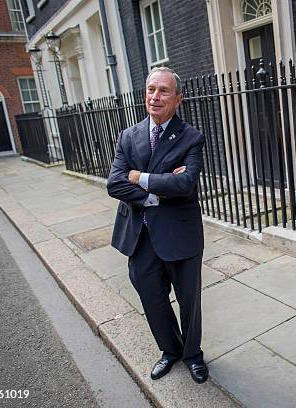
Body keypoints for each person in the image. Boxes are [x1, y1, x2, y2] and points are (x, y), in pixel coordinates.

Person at [107, 67, 208, 383]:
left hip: (180, 234)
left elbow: (187, 184)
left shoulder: (191, 137)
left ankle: (192, 354)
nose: (155, 96)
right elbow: (114, 184)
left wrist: (141, 177)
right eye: (151, 89)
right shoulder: (129, 135)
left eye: (164, 91)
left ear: (178, 99)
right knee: (151, 298)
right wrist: (157, 193)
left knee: (189, 301)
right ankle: (170, 350)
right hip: (140, 234)